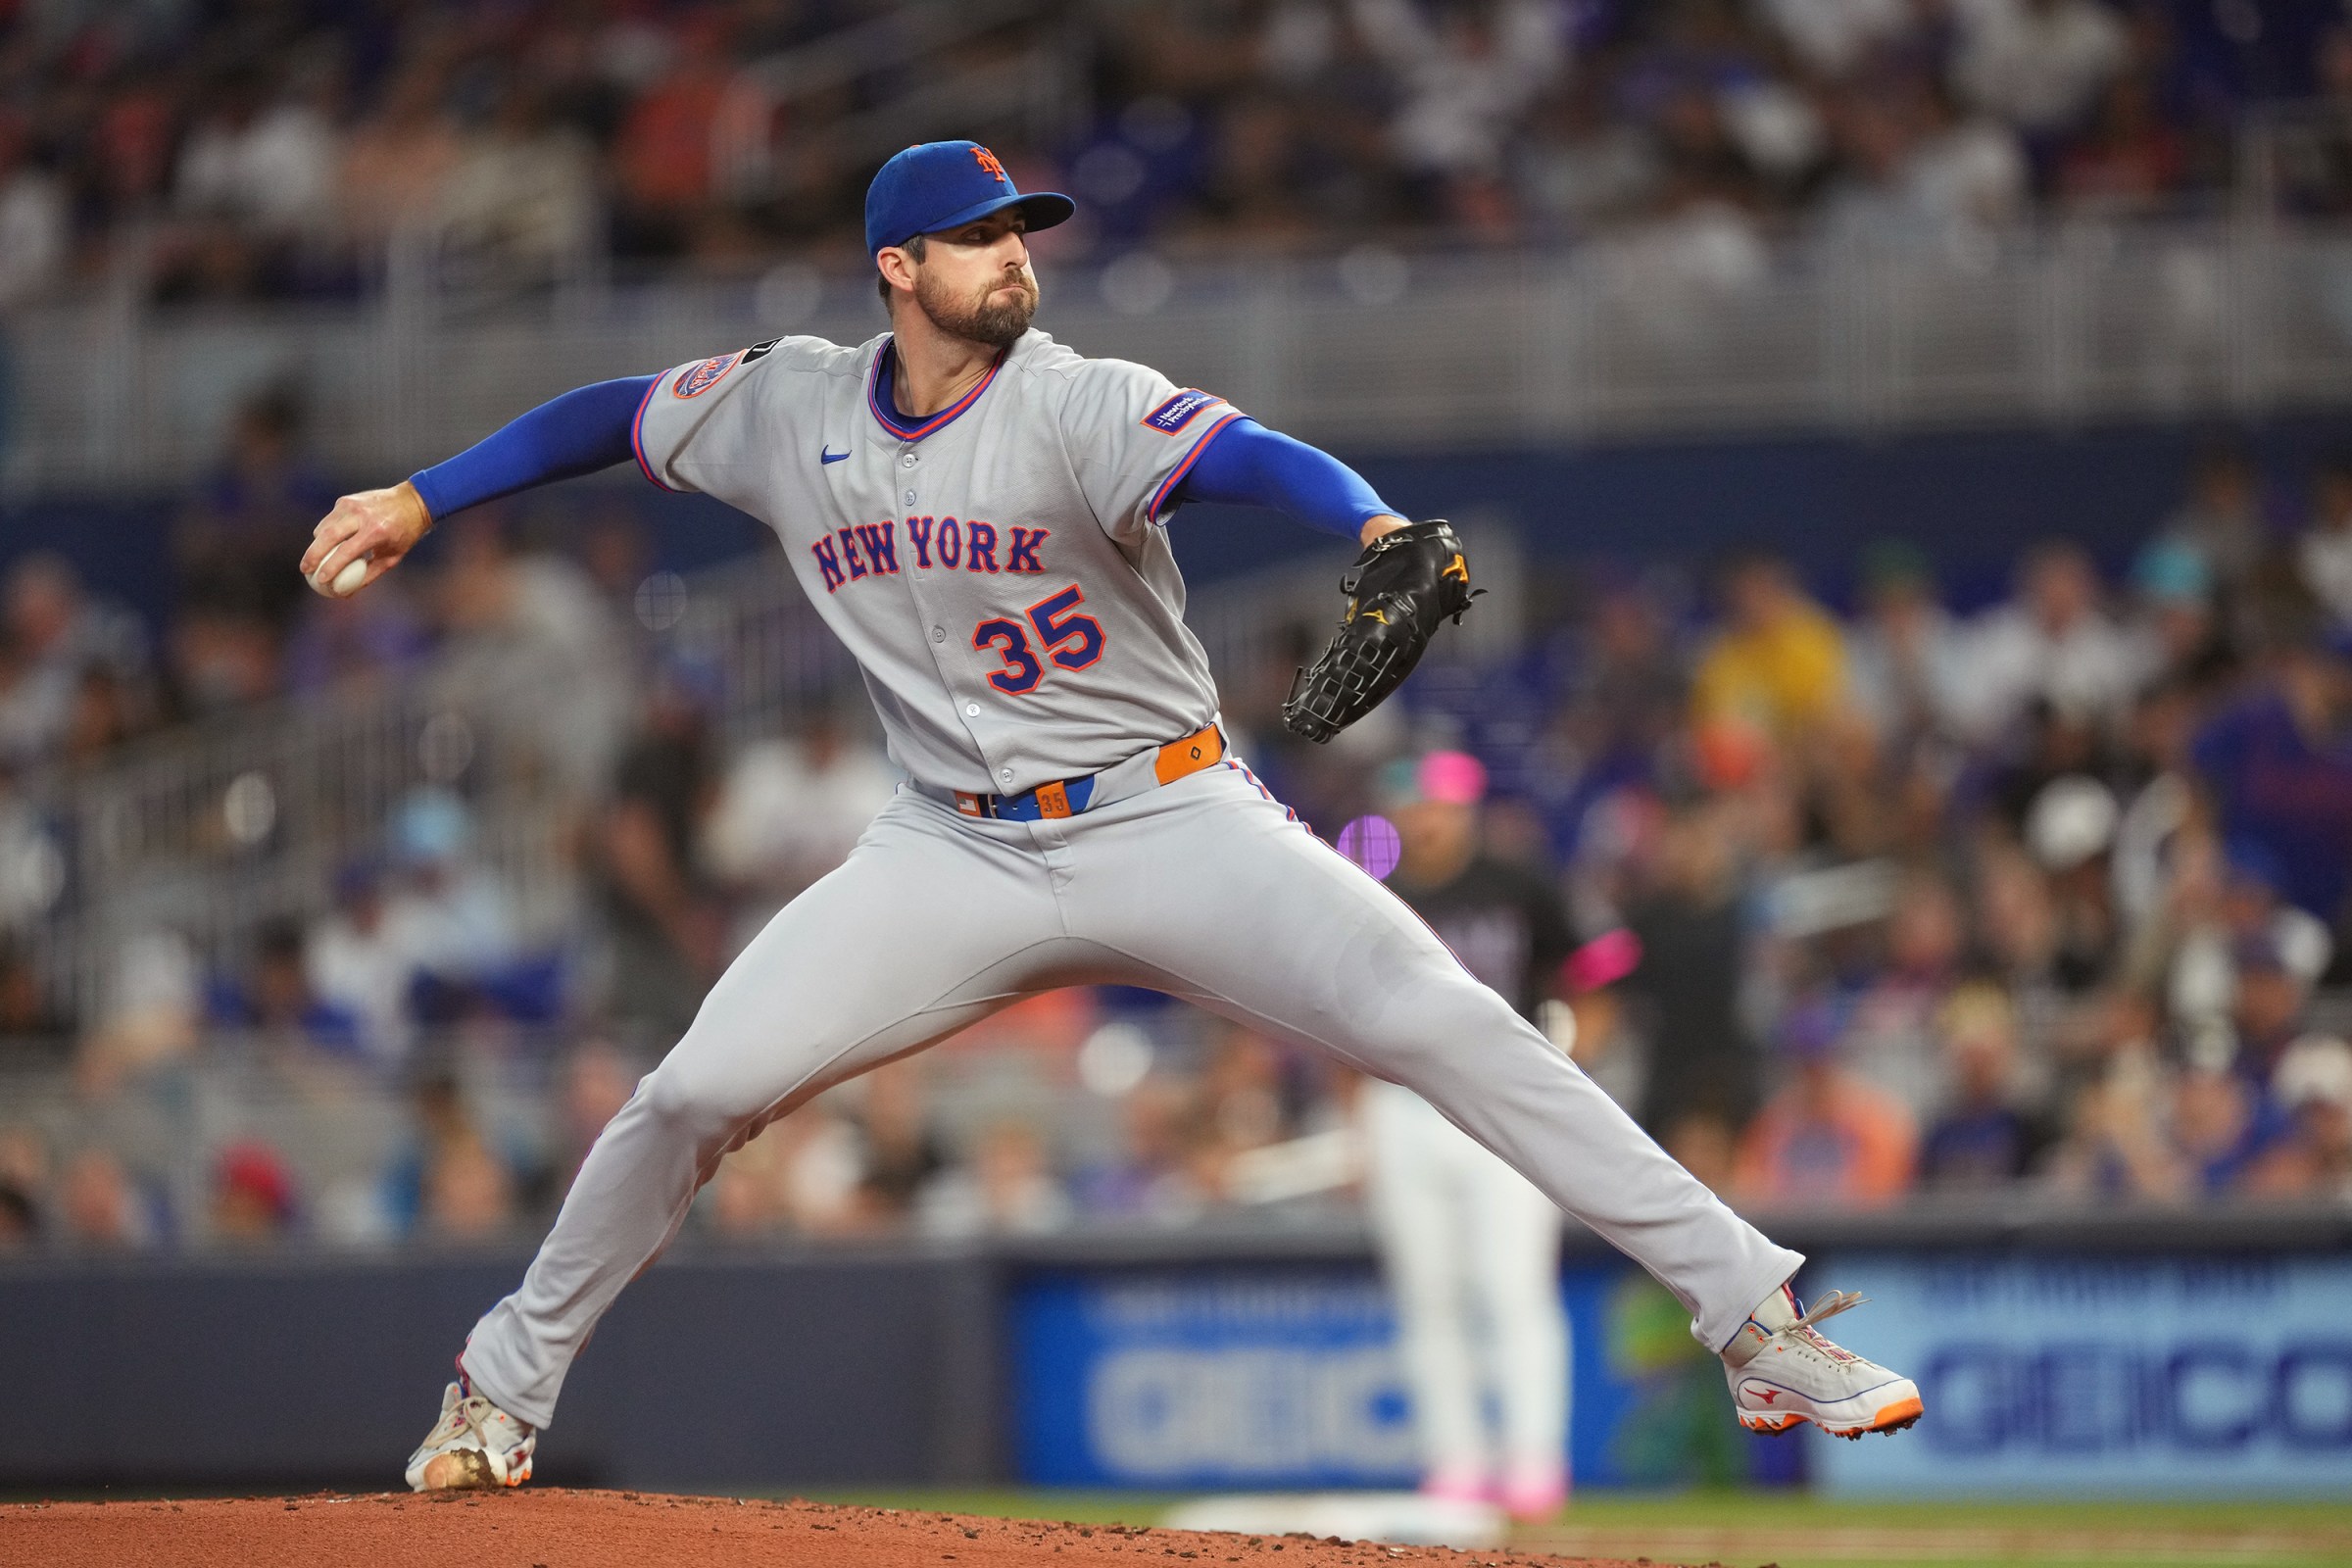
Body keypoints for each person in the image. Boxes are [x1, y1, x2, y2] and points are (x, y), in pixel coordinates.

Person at [301, 140, 1919, 1493]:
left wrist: (1370, 525)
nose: (1016, 256)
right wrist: (419, 496)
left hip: (1171, 821)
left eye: (1025, 232)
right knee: (692, 1088)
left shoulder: (1074, 401)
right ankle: (501, 1393)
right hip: (947, 847)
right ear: (894, 268)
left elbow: (1251, 454)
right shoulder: (792, 408)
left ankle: (1756, 1323)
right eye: (980, 237)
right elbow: (605, 415)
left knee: (1451, 1021)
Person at [1361, 750, 1575, 1521]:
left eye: (1439, 802)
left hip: (1502, 1101)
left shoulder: (1516, 883)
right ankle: (1454, 1462)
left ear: (1466, 807)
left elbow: (1592, 968)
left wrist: (1566, 1067)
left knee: (1512, 1287)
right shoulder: (1371, 889)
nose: (1427, 816)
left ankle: (1532, 1462)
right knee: (1429, 1294)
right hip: (1404, 1104)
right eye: (1413, 803)